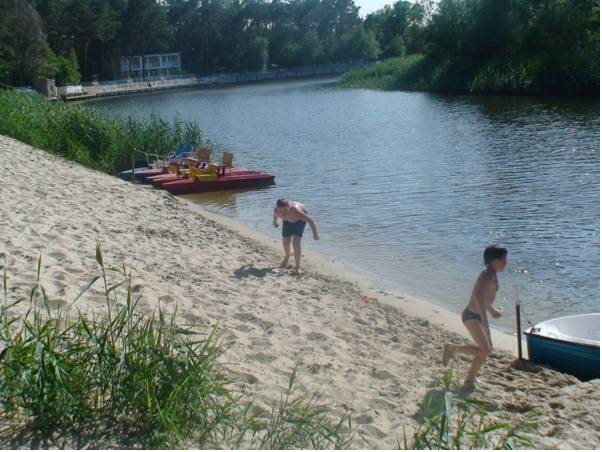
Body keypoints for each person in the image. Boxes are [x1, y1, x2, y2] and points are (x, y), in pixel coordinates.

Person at [442, 245, 507, 392]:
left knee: (486, 350)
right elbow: (477, 296)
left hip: (477, 315)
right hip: (471, 315)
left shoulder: (492, 273)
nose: (505, 263)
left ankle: (467, 375)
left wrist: (491, 311)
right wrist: (484, 319)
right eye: (503, 260)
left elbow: (484, 298)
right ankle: (454, 352)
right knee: (486, 349)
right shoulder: (487, 275)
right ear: (494, 260)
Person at [272, 198, 319, 273]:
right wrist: (274, 222)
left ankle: (297, 267)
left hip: (299, 221)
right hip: (287, 221)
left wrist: (315, 233)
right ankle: (287, 256)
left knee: (296, 243)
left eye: (285, 210)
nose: (283, 213)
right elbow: (275, 216)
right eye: (281, 211)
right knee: (285, 242)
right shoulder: (276, 210)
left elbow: (310, 220)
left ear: (288, 207)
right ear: (278, 208)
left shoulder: (296, 211)